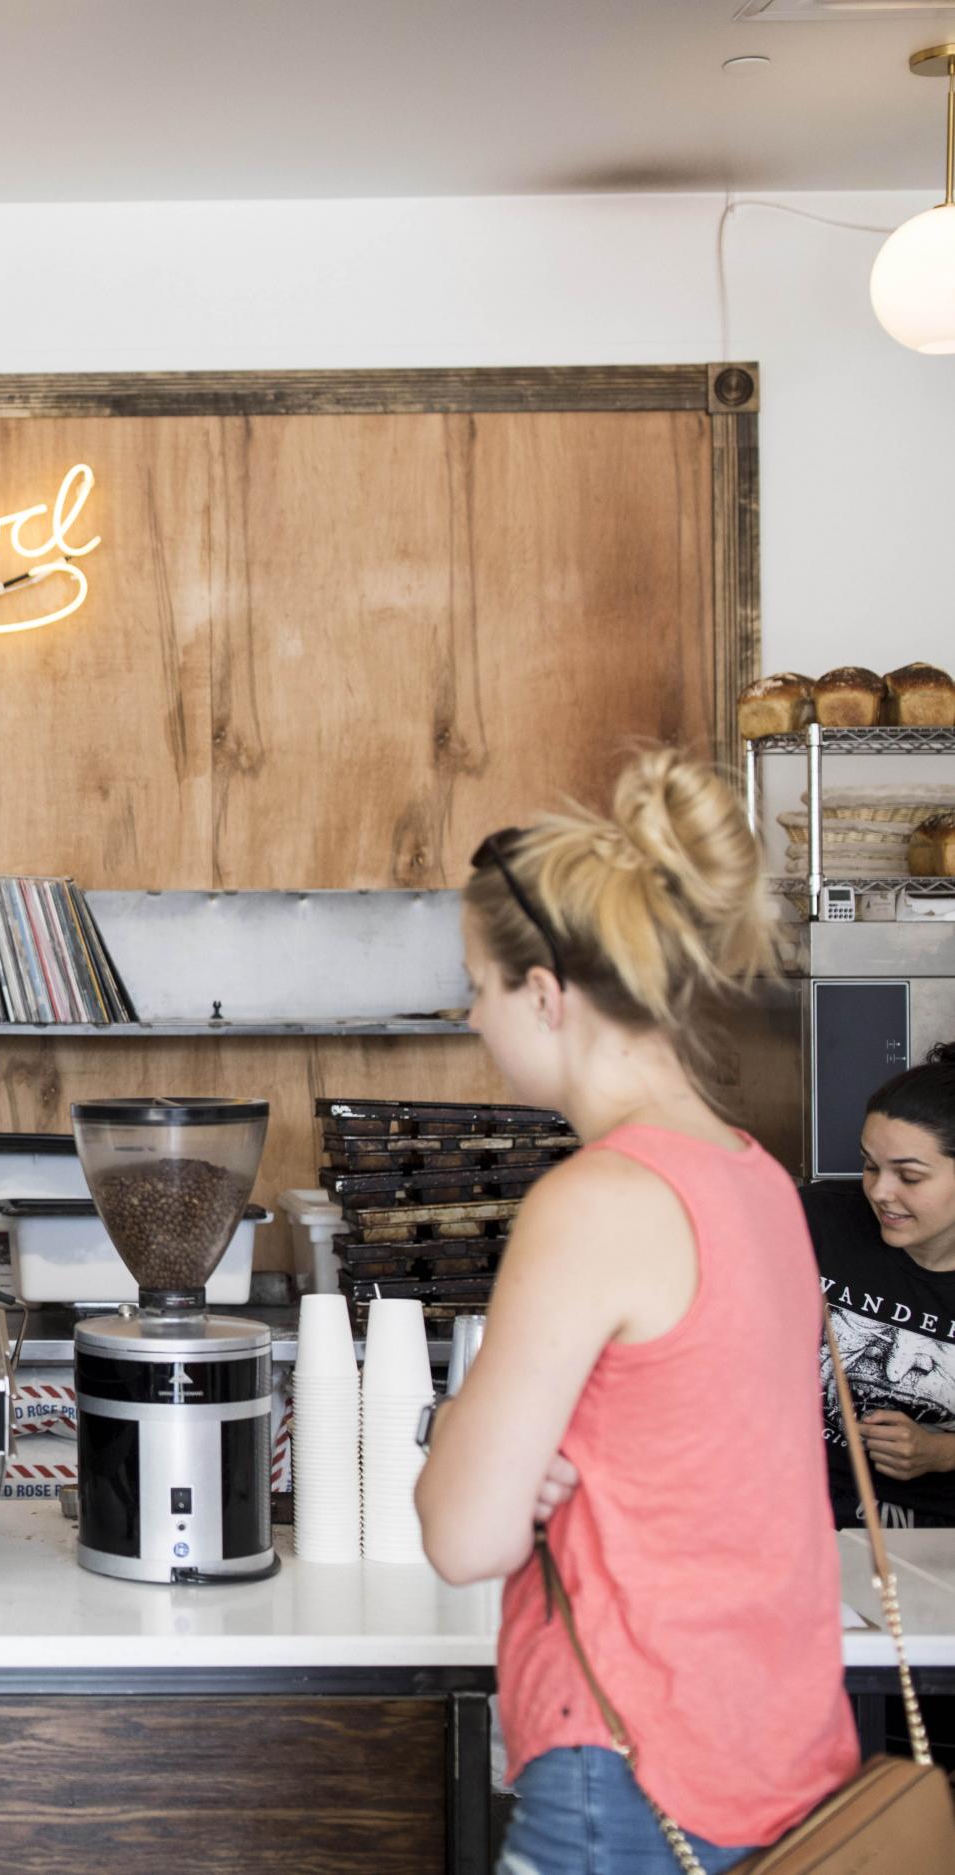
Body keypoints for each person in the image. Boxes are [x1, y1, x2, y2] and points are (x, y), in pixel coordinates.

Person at [413, 749, 856, 1873]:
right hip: (785, 1764)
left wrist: (476, 1436)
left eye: (477, 985)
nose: (470, 1017)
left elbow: (463, 1536)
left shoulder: (595, 1201)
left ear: (546, 996)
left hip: (627, 1779)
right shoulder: (758, 1181)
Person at [807, 1043, 955, 1528]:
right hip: (794, 1513)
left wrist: (941, 1451)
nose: (878, 1191)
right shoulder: (816, 1222)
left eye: (909, 1176)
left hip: (935, 1545)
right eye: (870, 1165)